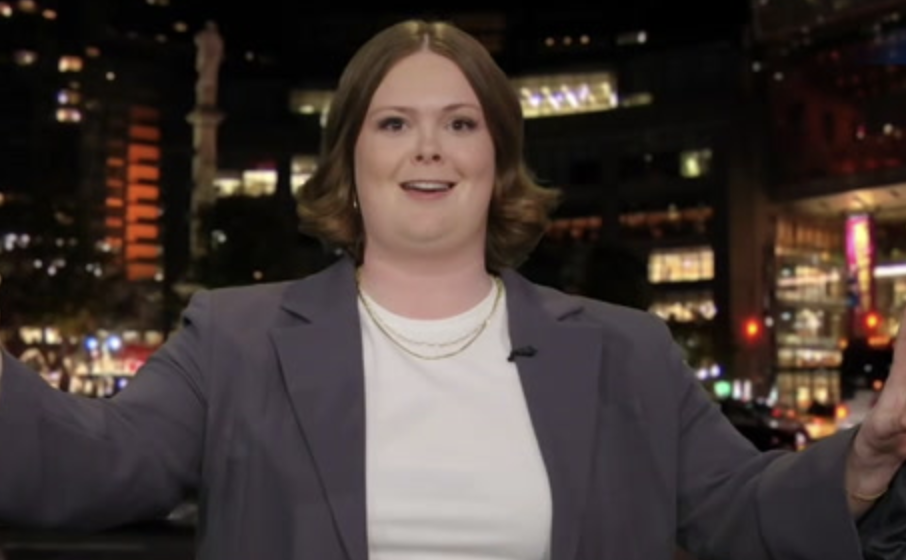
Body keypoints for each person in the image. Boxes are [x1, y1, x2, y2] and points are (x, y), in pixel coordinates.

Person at [0, 17, 905, 560]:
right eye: (395, 122)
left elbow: (740, 514)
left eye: (460, 123)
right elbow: (84, 468)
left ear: (497, 162)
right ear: (351, 164)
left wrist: (866, 457)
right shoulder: (234, 339)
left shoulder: (627, 351)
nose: (428, 147)